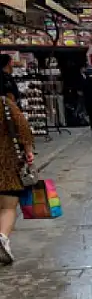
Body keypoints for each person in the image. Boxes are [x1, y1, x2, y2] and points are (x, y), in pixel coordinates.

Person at [0, 82, 34, 264]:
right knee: (7, 207)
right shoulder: (4, 103)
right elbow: (23, 129)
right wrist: (28, 151)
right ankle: (3, 238)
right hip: (6, 165)